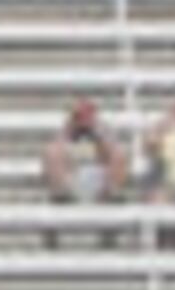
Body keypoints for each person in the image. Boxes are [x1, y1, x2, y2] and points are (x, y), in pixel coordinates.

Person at [41, 98, 131, 244]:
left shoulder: (103, 133)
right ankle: (62, 199)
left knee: (120, 154)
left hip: (99, 181)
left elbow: (114, 155)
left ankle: (110, 208)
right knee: (51, 152)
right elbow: (54, 155)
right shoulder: (65, 135)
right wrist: (69, 130)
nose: (83, 122)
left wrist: (97, 133)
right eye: (79, 117)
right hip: (71, 179)